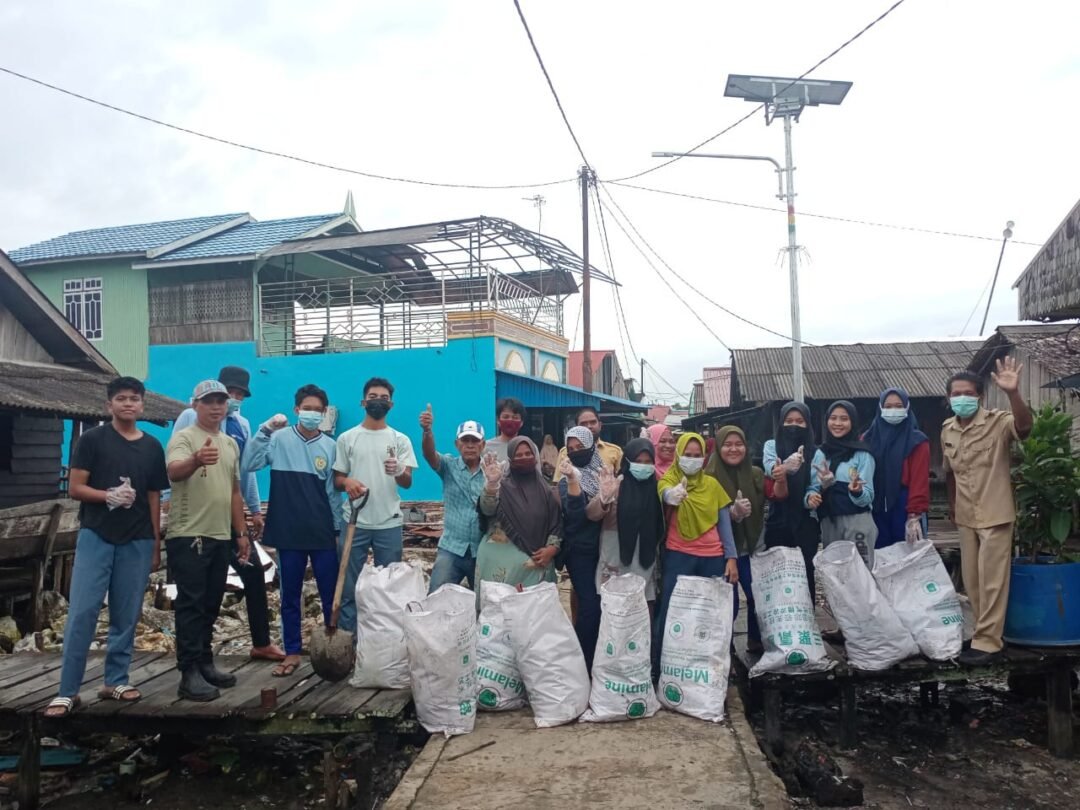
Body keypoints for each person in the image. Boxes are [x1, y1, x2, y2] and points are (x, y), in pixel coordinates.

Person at [45, 378, 170, 718]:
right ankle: (67, 690)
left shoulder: (153, 447)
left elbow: (154, 495)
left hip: (139, 538)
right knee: (82, 612)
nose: (128, 404)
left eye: (134, 399)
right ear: (109, 405)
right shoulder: (92, 440)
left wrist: (157, 542)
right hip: (97, 534)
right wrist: (108, 496)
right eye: (121, 399)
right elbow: (75, 488)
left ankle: (115, 680)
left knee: (126, 613)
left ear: (142, 405)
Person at [173, 365, 283, 663]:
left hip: (228, 520)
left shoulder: (241, 427)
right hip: (195, 522)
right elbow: (176, 465)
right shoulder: (189, 418)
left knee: (253, 571)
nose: (230, 401)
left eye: (236, 395)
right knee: (196, 595)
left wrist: (254, 511)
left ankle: (260, 642)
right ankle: (193, 661)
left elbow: (242, 475)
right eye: (227, 393)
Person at [241, 384, 341, 678]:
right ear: (297, 410)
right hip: (287, 530)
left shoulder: (330, 446)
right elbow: (249, 464)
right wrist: (265, 430)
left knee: (329, 594)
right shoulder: (279, 439)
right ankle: (293, 651)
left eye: (317, 410)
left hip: (322, 531)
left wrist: (336, 529)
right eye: (306, 408)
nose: (312, 414)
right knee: (290, 596)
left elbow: (333, 494)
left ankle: (331, 649)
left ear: (324, 414)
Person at [166, 380, 251, 701]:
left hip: (220, 533)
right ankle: (187, 671)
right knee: (190, 603)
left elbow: (234, 491)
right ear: (195, 405)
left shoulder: (230, 444)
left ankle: (204, 661)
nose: (216, 407)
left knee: (212, 601)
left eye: (221, 401)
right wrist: (197, 460)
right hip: (189, 534)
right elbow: (174, 471)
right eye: (209, 401)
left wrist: (240, 533)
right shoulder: (184, 438)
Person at [943, 358, 1032, 666]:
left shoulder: (998, 421)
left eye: (968, 392)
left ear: (980, 396)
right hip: (966, 515)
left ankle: (989, 642)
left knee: (992, 579)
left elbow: (1024, 428)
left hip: (995, 512)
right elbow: (950, 472)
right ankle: (983, 633)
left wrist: (1013, 393)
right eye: (956, 393)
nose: (962, 398)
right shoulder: (948, 430)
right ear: (948, 398)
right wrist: (953, 506)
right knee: (973, 580)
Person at [332, 377, 417, 633]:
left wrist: (399, 470)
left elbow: (407, 483)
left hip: (388, 523)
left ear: (390, 404)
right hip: (354, 523)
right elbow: (337, 480)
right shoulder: (347, 438)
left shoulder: (400, 440)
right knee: (349, 588)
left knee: (388, 589)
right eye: (372, 397)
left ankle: (385, 642)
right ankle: (350, 643)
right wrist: (348, 482)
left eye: (383, 398)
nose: (377, 401)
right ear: (362, 402)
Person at [656, 432, 738, 655]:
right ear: (678, 455)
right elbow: (663, 492)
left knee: (711, 612)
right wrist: (670, 495)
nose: (692, 459)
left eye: (697, 455)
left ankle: (712, 662)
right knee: (673, 611)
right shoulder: (670, 479)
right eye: (687, 454)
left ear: (704, 456)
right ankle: (664, 663)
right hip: (679, 555)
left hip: (713, 557)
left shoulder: (711, 485)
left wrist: (731, 558)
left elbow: (724, 525)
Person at [475, 437, 562, 601]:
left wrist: (552, 549)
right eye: (518, 455)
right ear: (510, 459)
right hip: (500, 570)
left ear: (535, 457)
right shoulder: (502, 485)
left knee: (535, 619)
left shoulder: (546, 491)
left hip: (536, 570)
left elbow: (556, 524)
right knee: (500, 618)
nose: (523, 457)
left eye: (528, 453)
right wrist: (492, 486)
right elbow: (487, 509)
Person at [705, 425, 764, 652]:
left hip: (751, 546)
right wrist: (730, 514)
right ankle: (724, 648)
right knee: (727, 602)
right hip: (720, 550)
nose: (733, 449)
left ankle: (756, 641)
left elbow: (769, 501)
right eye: (727, 445)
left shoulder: (756, 474)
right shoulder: (708, 477)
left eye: (738, 444)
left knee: (756, 595)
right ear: (718, 448)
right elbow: (704, 516)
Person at [762, 402, 826, 598]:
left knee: (805, 574)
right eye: (788, 421)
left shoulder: (816, 453)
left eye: (800, 421)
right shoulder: (771, 445)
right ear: (781, 423)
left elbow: (813, 487)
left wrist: (811, 499)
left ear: (808, 425)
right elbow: (770, 467)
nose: (794, 425)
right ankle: (779, 625)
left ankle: (806, 623)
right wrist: (782, 469)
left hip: (805, 523)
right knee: (777, 574)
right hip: (777, 521)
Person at [420, 405, 486, 592]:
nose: (470, 445)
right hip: (451, 547)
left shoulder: (492, 470)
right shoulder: (448, 466)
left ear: (483, 445)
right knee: (437, 597)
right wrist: (427, 432)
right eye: (465, 440)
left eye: (475, 441)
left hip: (481, 549)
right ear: (457, 444)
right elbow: (429, 455)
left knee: (485, 603)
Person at [593, 438, 664, 613]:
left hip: (645, 557)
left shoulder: (657, 487)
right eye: (638, 461)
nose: (643, 466)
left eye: (648, 462)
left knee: (644, 606)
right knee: (614, 609)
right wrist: (603, 500)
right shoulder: (616, 485)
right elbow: (591, 514)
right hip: (616, 555)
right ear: (628, 461)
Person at [558, 426, 607, 670]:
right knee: (590, 606)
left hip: (605, 550)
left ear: (591, 447)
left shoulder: (602, 474)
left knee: (602, 605)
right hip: (580, 552)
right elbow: (575, 516)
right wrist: (573, 482)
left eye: (581, 447)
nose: (576, 452)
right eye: (571, 449)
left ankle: (598, 657)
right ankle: (581, 662)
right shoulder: (567, 478)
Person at [806, 401, 878, 567]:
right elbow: (812, 490)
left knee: (861, 574)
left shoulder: (863, 455)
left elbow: (868, 496)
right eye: (833, 418)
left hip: (857, 520)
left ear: (852, 422)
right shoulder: (820, 454)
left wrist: (857, 491)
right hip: (829, 521)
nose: (838, 423)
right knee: (836, 575)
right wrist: (822, 486)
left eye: (844, 419)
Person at [862, 388, 931, 551]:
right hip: (875, 504)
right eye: (888, 406)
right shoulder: (867, 439)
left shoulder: (917, 441)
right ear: (880, 408)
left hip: (904, 503)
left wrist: (914, 514)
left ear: (907, 408)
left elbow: (919, 480)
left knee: (907, 554)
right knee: (879, 555)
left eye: (899, 406)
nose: (893, 410)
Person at [553, 407, 624, 482]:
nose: (589, 426)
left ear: (600, 425)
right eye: (583, 424)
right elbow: (558, 482)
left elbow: (623, 481)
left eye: (593, 422)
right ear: (577, 428)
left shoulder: (615, 451)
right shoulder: (566, 452)